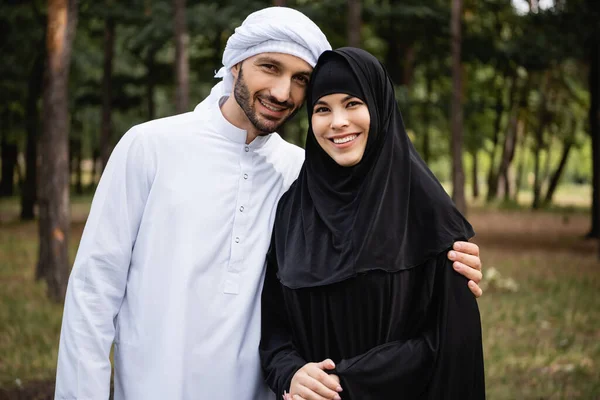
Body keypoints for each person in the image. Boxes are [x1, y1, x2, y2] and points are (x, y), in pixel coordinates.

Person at [54, 7, 483, 400]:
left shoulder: (301, 174)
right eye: (270, 67)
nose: (282, 91)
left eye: (300, 79)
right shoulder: (149, 147)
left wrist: (446, 263)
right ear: (236, 63)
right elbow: (94, 292)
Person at [259, 48, 485, 400]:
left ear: (379, 107)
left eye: (352, 103)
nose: (337, 122)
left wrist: (347, 382)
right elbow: (275, 332)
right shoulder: (292, 210)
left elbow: (452, 344)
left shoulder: (426, 209)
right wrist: (292, 373)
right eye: (322, 109)